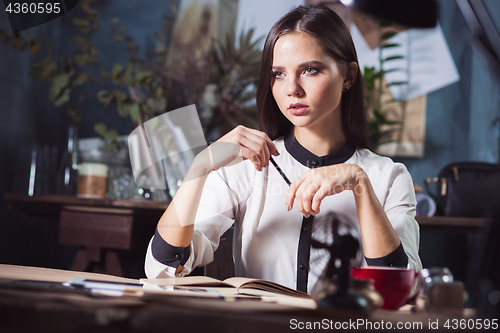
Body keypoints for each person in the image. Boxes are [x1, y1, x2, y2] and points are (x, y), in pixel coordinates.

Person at [145, 4, 422, 294]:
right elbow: (162, 269)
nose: (292, 88)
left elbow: (401, 290)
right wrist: (200, 167)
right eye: (279, 74)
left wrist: (359, 182)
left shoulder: (387, 177)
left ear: (348, 77)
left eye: (310, 70)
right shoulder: (245, 168)